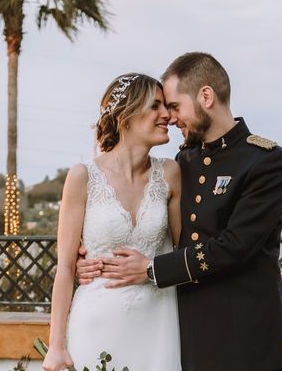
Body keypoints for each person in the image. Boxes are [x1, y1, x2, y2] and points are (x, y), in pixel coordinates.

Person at [78, 53, 282, 370]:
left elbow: (236, 245)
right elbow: (160, 229)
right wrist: (89, 257)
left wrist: (152, 269)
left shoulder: (268, 162)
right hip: (188, 335)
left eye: (175, 106)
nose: (171, 117)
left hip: (246, 339)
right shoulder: (185, 162)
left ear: (206, 96)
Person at [42, 73, 183, 371]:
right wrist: (55, 346)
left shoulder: (171, 173)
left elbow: (184, 252)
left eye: (166, 107)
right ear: (127, 117)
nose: (167, 115)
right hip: (95, 324)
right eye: (155, 106)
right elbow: (66, 268)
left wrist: (152, 267)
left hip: (157, 327)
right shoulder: (82, 177)